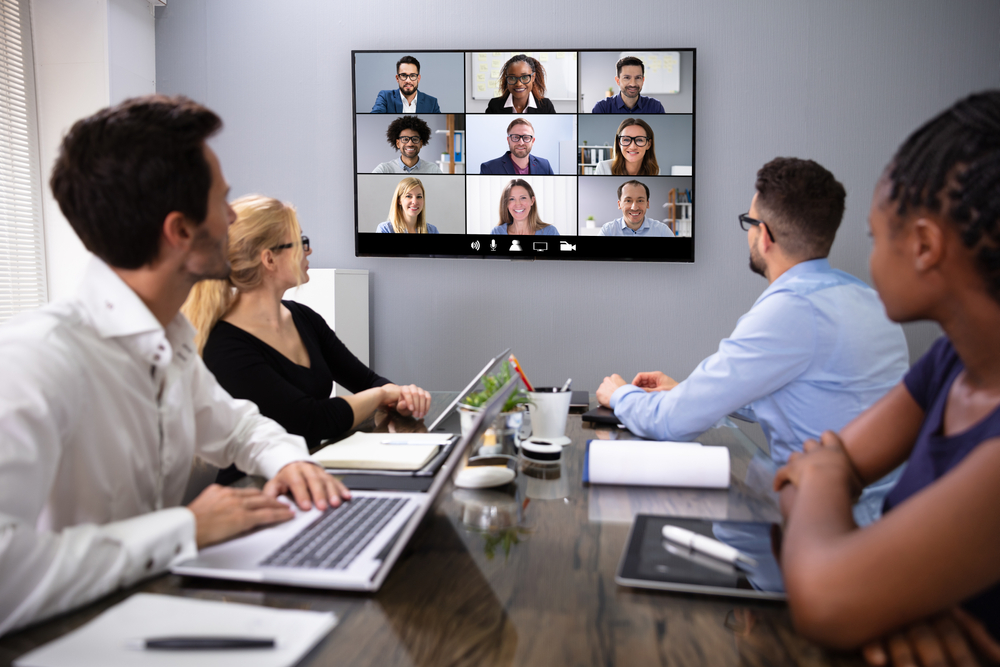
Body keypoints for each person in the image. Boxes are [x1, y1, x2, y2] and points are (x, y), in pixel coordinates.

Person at [0, 95, 348, 635]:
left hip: (143, 614)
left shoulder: (170, 341)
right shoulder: (36, 359)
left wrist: (286, 461)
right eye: (222, 201)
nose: (232, 218)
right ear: (180, 231)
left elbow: (237, 426)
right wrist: (184, 527)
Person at [772, 91, 1000, 657]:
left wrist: (823, 476)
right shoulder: (950, 364)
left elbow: (825, 596)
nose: (868, 259)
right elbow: (790, 490)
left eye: (874, 237)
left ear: (923, 246)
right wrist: (894, 599)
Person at [596, 157, 909, 526]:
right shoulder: (870, 301)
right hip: (880, 520)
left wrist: (618, 395)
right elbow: (808, 398)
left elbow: (672, 424)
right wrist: (690, 390)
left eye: (748, 222)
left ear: (765, 235)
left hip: (819, 529)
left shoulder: (790, 311)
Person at [183, 194, 431, 486]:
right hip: (255, 491)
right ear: (269, 259)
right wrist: (381, 396)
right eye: (300, 242)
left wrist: (397, 397)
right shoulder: (224, 345)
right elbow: (312, 420)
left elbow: (366, 379)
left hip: (310, 473)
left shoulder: (303, 317)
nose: (309, 250)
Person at [591, 56, 666, 114]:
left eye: (638, 78)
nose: (633, 84)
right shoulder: (602, 108)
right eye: (627, 77)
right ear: (618, 81)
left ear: (643, 80)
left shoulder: (655, 107)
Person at [480, 118, 554, 175]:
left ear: (533, 141)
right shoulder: (489, 168)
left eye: (526, 137)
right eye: (515, 137)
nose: (521, 143)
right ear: (508, 140)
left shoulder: (545, 165)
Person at [485, 54, 556, 114]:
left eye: (525, 77)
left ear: (533, 77)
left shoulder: (546, 106)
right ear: (507, 79)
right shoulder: (494, 105)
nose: (519, 84)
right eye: (512, 78)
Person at [600, 180, 674, 236]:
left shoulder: (663, 231)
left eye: (640, 200)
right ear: (619, 204)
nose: (634, 208)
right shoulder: (607, 231)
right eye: (628, 201)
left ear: (647, 204)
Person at [370, 55, 441, 114]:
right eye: (404, 75)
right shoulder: (385, 97)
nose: (408, 80)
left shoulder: (432, 103)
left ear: (418, 78)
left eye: (412, 75)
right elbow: (373, 118)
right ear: (397, 78)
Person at [372, 116, 442, 174]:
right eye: (405, 139)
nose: (410, 144)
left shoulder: (433, 170)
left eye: (415, 139)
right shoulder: (384, 170)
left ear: (421, 143)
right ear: (397, 143)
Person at [489, 179, 559, 236]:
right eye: (512, 199)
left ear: (532, 201)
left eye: (523, 198)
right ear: (506, 204)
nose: (518, 204)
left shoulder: (550, 232)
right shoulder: (497, 232)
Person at [594, 118, 659, 176]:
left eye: (639, 140)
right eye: (626, 140)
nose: (633, 147)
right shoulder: (603, 169)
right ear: (619, 143)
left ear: (649, 144)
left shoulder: (655, 172)